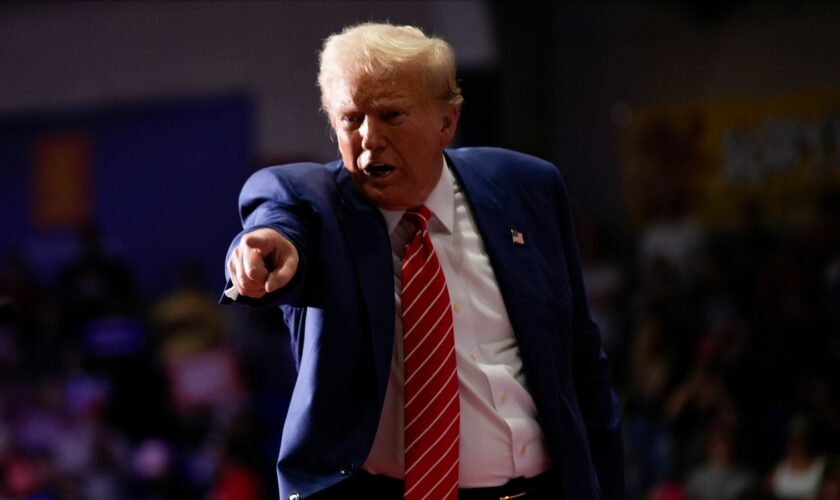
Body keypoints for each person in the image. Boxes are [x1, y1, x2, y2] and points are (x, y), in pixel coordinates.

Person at [223, 22, 624, 500]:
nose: (369, 138)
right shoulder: (314, 205)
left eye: (391, 115)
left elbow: (582, 362)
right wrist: (264, 249)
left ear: (446, 122)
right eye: (351, 119)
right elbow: (273, 222)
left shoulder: (527, 186)